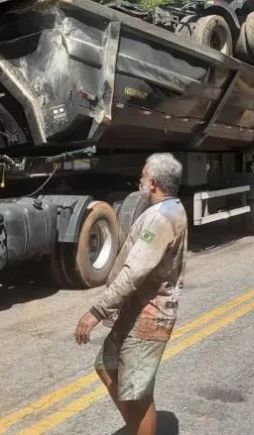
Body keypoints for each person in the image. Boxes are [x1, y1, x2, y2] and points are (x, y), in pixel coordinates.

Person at [75, 153, 189, 435]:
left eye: (142, 175)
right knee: (106, 365)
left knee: (137, 395)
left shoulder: (161, 218)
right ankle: (137, 427)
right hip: (134, 313)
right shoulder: (168, 209)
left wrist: (96, 312)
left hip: (149, 317)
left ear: (153, 183)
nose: (139, 179)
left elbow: (135, 270)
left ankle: (140, 426)